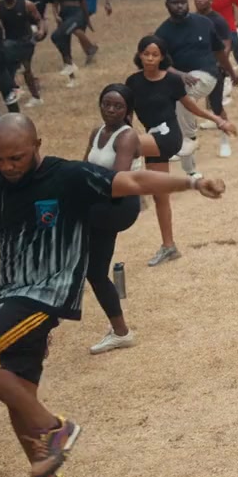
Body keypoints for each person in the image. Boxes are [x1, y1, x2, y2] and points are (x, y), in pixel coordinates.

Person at [0, 113, 226, 477]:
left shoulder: (68, 177)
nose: (8, 167)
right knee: (19, 396)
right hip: (10, 295)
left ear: (37, 145)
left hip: (44, 296)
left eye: (16, 158)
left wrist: (193, 182)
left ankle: (54, 428)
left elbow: (134, 181)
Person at [127, 35, 237, 267]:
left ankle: (132, 188)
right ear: (139, 55)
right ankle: (169, 246)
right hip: (150, 136)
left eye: (155, 54)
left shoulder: (172, 81)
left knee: (126, 145)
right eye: (146, 54)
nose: (150, 58)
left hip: (168, 136)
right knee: (160, 195)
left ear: (162, 57)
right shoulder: (133, 82)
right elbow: (126, 114)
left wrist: (218, 120)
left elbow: (191, 106)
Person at [81, 84, 143, 354]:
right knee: (93, 270)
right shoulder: (97, 132)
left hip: (118, 205)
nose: (110, 110)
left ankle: (121, 332)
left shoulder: (127, 136)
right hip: (99, 202)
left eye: (118, 106)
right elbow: (84, 167)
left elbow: (115, 181)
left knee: (86, 266)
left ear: (127, 111)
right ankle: (121, 332)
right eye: (106, 104)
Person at [154, 0, 237, 178]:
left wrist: (232, 72)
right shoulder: (162, 33)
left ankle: (210, 140)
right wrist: (180, 74)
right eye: (175, 3)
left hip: (207, 75)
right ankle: (190, 167)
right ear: (167, 5)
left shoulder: (204, 23)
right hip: (182, 80)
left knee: (209, 105)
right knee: (179, 104)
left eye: (183, 2)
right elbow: (162, 64)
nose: (180, 6)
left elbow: (219, 51)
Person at [192, 0, 238, 158]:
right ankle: (187, 142)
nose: (200, 0)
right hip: (193, 69)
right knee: (185, 105)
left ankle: (225, 141)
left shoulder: (218, 20)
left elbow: (226, 44)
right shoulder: (190, 19)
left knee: (217, 105)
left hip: (214, 69)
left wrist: (221, 64)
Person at [0, 0, 46, 108]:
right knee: (10, 69)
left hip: (26, 41)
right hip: (9, 42)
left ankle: (35, 97)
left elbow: (39, 19)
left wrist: (41, 30)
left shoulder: (26, 4)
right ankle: (17, 90)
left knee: (25, 69)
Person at [50, 0, 97, 80]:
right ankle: (70, 61)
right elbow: (54, 3)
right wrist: (56, 15)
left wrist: (87, 17)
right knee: (60, 37)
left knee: (73, 29)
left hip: (77, 12)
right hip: (64, 13)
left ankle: (90, 48)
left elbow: (83, 1)